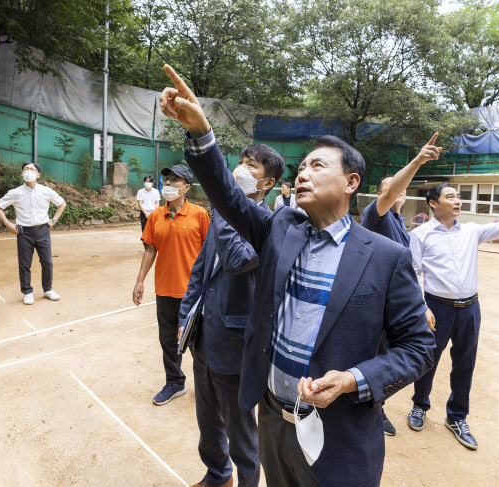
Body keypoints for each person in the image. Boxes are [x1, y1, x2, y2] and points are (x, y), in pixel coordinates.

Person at [159, 64, 434, 487]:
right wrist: (200, 131)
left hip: (339, 432)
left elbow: (418, 347)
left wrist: (352, 380)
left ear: (351, 182)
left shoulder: (386, 257)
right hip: (273, 418)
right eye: (301, 166)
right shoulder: (281, 228)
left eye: (317, 166)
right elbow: (228, 196)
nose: (303, 172)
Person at [407, 180, 499, 450]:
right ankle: (419, 405)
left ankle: (456, 417)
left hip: (470, 309)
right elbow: (412, 274)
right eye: (451, 196)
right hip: (436, 309)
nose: (458, 201)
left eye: (459, 197)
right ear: (433, 203)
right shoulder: (420, 235)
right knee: (427, 360)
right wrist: (423, 307)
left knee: (465, 364)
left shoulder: (472, 232)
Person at [178, 144, 284, 487]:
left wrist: (225, 206)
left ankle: (247, 482)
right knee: (207, 421)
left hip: (236, 344)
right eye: (239, 162)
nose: (238, 169)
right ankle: (217, 475)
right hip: (204, 335)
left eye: (250, 166)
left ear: (267, 184)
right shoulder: (221, 216)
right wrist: (186, 315)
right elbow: (202, 267)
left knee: (241, 433)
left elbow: (238, 261)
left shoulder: (267, 224)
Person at [361, 133, 441, 435]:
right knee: (379, 356)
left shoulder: (401, 223)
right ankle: (373, 409)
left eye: (403, 187)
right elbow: (389, 193)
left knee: (405, 356)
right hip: (375, 303)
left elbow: (409, 270)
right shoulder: (376, 217)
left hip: (397, 302)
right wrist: (418, 160)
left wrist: (420, 304)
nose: (400, 190)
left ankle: (375, 402)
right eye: (393, 187)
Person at [132, 164, 210, 406]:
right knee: (168, 340)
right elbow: (150, 249)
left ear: (186, 188)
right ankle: (175, 382)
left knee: (199, 342)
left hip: (194, 292)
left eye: (174, 180)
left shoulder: (199, 214)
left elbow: (210, 254)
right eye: (166, 180)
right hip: (165, 289)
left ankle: (206, 387)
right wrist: (140, 281)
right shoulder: (156, 215)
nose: (167, 184)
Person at [0, 161, 67, 305]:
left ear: (38, 174)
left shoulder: (46, 191)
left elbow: (61, 203)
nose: (28, 171)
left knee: (47, 262)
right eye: (26, 169)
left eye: (32, 169)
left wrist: (53, 220)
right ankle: (27, 292)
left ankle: (48, 290)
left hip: (43, 230)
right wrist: (8, 224)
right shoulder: (15, 193)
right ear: (22, 173)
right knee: (24, 263)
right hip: (23, 232)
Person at [136, 176, 161, 248]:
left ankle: (155, 246)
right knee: (145, 230)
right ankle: (146, 247)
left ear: (152, 183)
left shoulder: (156, 192)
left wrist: (153, 212)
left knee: (155, 230)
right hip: (144, 213)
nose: (147, 183)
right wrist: (146, 213)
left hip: (154, 212)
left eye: (149, 182)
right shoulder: (140, 191)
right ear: (144, 182)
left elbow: (157, 203)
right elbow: (140, 203)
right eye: (146, 182)